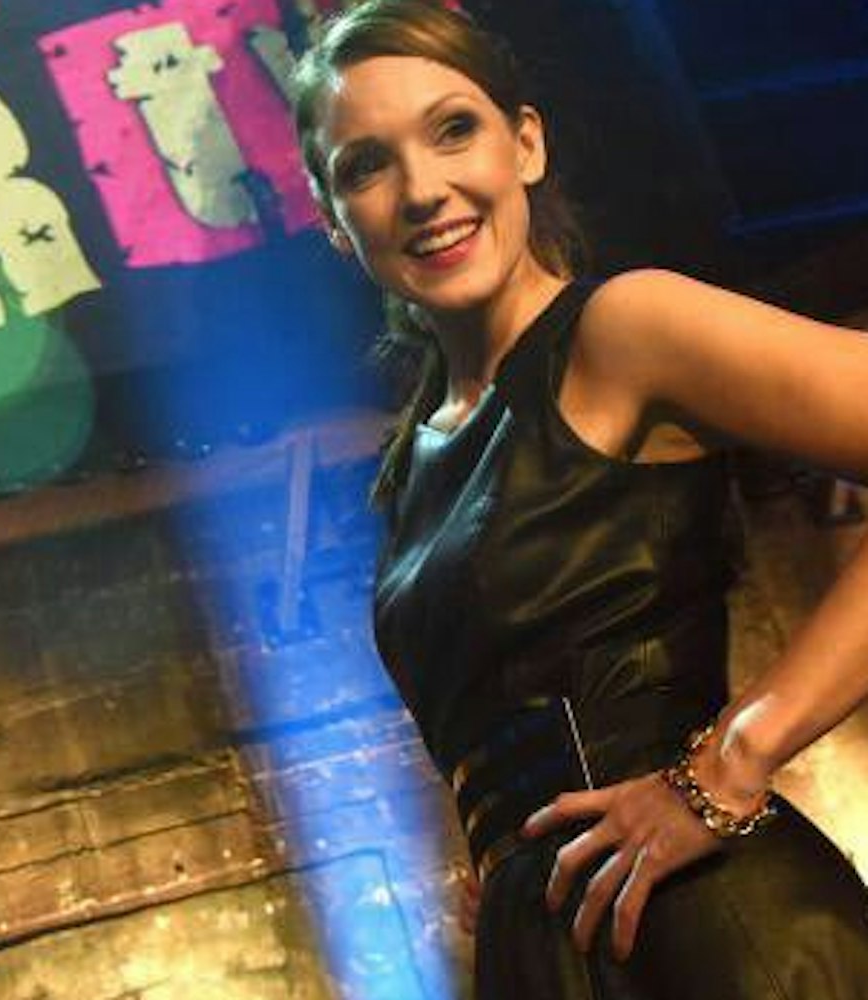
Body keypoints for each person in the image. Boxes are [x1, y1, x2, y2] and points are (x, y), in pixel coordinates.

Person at [287, 1, 868, 996]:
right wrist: (508, 865)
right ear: (335, 222)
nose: (421, 190)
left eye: (452, 129)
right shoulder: (417, 453)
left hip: (721, 936)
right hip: (557, 948)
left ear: (526, 143)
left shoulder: (623, 329)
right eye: (366, 166)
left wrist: (732, 759)